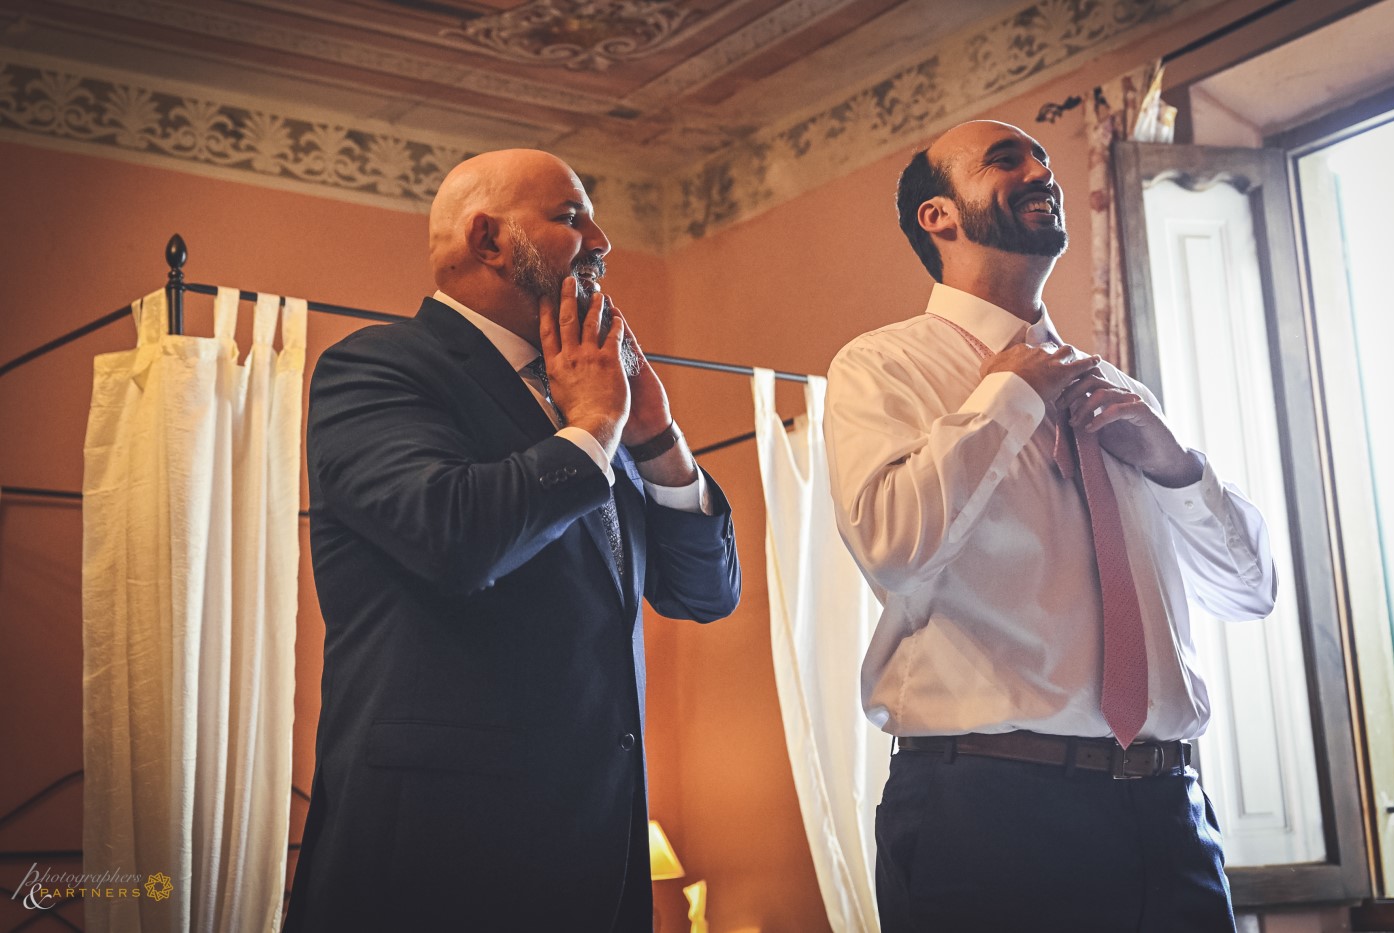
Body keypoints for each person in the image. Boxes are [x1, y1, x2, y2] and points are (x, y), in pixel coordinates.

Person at [824, 120, 1276, 932]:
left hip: (1170, 809)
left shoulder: (1121, 393)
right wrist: (1008, 397)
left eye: (1043, 158)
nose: (1040, 170)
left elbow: (1251, 592)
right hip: (991, 812)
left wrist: (1175, 463)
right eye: (1006, 159)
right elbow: (892, 547)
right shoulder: (881, 366)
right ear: (939, 216)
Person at [283, 149, 741, 932]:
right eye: (570, 218)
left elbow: (704, 592)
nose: (601, 241)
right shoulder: (377, 369)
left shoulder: (585, 388)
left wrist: (656, 435)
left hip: (600, 858)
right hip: (437, 860)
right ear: (489, 239)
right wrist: (594, 427)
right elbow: (455, 536)